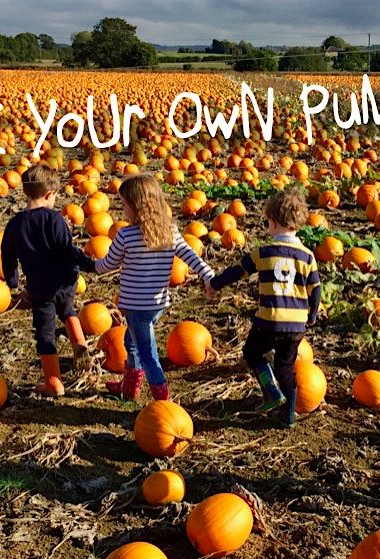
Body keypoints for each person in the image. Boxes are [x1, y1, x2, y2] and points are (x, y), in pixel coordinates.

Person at [206, 189, 320, 428]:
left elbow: (237, 270)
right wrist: (312, 314)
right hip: (296, 325)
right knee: (285, 367)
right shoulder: (308, 257)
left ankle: (270, 391)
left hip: (268, 320)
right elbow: (315, 289)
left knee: (252, 354)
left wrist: (215, 284)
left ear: (273, 222)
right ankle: (288, 415)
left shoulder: (263, 252)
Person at [95, 174, 214, 402]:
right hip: (156, 305)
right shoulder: (169, 231)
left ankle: (163, 400)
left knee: (148, 355)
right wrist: (208, 276)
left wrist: (90, 264)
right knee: (132, 342)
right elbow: (191, 257)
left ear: (136, 206)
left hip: (135, 306)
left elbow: (107, 265)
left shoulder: (126, 235)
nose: (122, 209)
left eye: (124, 204)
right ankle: (129, 389)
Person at [1, 165, 95, 397]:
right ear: (49, 194)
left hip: (40, 287)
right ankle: (79, 341)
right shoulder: (55, 220)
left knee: (45, 332)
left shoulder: (16, 224)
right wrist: (89, 264)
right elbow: (67, 250)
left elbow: (7, 254)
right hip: (65, 280)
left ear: (25, 192)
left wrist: (12, 281)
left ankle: (53, 382)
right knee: (68, 309)